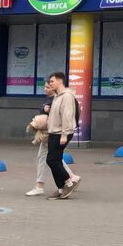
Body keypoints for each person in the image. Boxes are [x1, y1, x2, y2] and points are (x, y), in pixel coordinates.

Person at [25, 81, 77, 197]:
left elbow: (65, 117)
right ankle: (70, 178)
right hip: (52, 132)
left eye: (48, 87)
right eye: (45, 86)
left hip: (53, 133)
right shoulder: (53, 98)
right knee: (52, 157)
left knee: (49, 158)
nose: (45, 89)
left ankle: (46, 185)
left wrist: (64, 134)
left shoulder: (60, 99)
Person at [45, 71, 82, 199]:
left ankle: (69, 181)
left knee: (52, 160)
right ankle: (61, 188)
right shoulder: (57, 96)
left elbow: (67, 115)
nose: (50, 84)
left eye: (52, 81)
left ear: (60, 81)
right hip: (53, 132)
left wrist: (64, 135)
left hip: (61, 132)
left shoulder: (67, 96)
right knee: (53, 160)